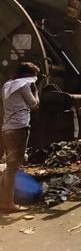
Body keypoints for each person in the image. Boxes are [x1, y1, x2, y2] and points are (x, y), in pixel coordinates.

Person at [0, 62, 40, 213]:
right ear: (28, 75)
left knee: (10, 165)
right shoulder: (24, 86)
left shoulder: (7, 85)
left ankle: (4, 198)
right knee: (13, 167)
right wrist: (36, 91)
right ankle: (7, 203)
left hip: (7, 129)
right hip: (19, 129)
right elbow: (34, 105)